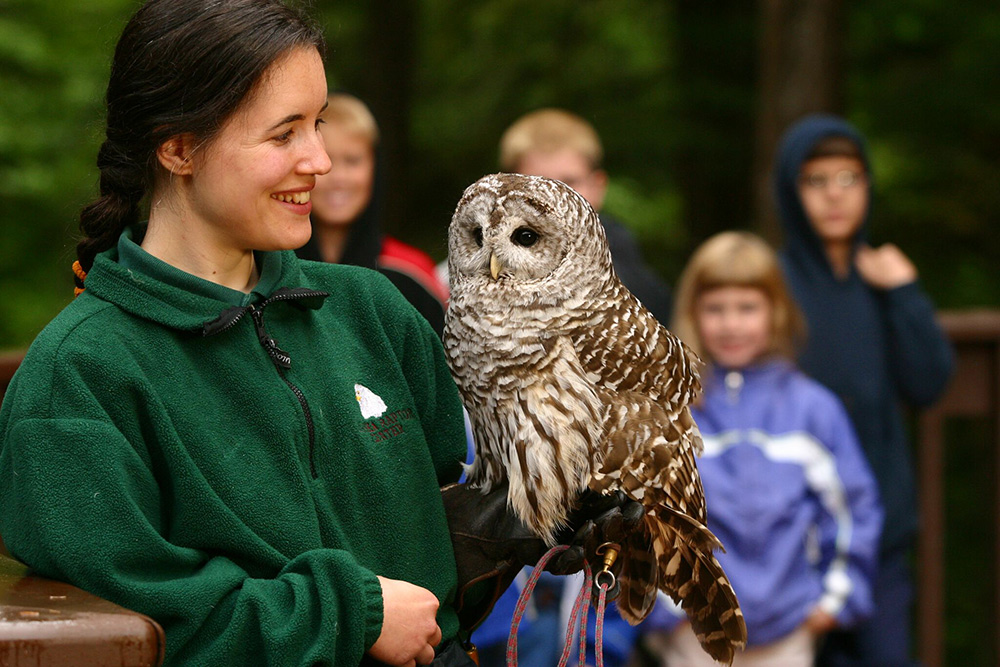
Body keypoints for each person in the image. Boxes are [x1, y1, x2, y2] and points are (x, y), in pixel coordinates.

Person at [0, 2, 632, 665]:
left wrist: (524, 509)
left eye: (319, 124)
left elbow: (426, 560)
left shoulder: (372, 311)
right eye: (284, 134)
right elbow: (132, 627)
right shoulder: (77, 380)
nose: (321, 160)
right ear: (179, 147)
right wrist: (350, 614)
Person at [469, 108, 676, 666]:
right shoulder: (480, 261)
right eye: (539, 187)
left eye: (569, 184)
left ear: (598, 188)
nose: (556, 200)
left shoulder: (633, 278)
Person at [639, 231, 882, 666]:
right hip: (692, 630)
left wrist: (829, 606)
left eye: (747, 308)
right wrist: (665, 609)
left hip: (789, 633)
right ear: (693, 312)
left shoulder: (813, 409)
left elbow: (853, 512)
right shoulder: (667, 410)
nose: (732, 324)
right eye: (716, 309)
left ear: (777, 311)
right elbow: (640, 515)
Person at [773, 114, 954, 666]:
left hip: (879, 528)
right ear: (789, 189)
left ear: (867, 188)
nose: (834, 196)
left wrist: (905, 294)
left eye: (849, 178)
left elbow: (929, 383)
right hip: (790, 535)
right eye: (815, 180)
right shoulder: (772, 285)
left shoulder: (883, 279)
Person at [296, 93, 448, 337]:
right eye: (327, 160)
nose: (338, 178)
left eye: (353, 161)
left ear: (375, 168)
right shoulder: (267, 268)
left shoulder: (411, 273)